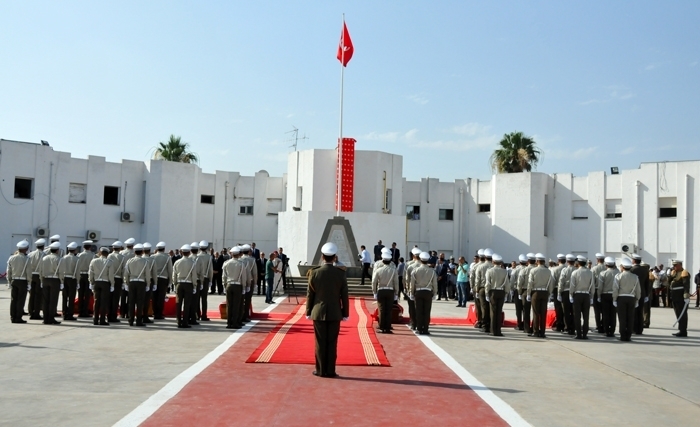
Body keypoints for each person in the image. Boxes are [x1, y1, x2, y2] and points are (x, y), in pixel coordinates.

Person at [306, 242, 349, 378]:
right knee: (332, 342)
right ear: (334, 257)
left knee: (320, 342)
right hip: (335, 312)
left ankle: (320, 370)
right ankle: (330, 370)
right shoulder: (340, 274)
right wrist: (345, 313)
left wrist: (308, 311)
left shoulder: (314, 273)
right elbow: (344, 296)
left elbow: (310, 295)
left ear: (322, 257)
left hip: (318, 312)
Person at [409, 251, 437, 335]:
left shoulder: (415, 270)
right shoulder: (432, 271)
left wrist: (411, 292)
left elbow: (412, 283)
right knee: (427, 311)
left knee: (419, 311)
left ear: (420, 260)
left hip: (418, 291)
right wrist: (435, 293)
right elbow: (434, 283)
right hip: (428, 292)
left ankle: (419, 328)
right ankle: (425, 329)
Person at [613, 258, 641, 342]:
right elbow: (638, 290)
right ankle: (628, 336)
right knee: (630, 317)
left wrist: (614, 299)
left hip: (621, 298)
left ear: (622, 267)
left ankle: (622, 336)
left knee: (622, 318)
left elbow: (615, 289)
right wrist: (637, 300)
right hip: (631, 298)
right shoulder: (635, 277)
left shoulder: (618, 276)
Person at [124, 244, 151, 327]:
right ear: (142, 251)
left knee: (131, 302)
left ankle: (130, 320)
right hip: (141, 283)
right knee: (140, 302)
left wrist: (126, 283)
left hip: (132, 282)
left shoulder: (129, 261)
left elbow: (126, 273)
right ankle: (139, 321)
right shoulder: (145, 262)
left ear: (134, 252)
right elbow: (147, 274)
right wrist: (148, 284)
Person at [527, 253, 554, 338]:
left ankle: (535, 332)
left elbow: (530, 283)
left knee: (535, 313)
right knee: (543, 313)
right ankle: (542, 332)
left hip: (535, 292)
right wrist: (549, 293)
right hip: (545, 292)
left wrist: (528, 293)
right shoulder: (548, 271)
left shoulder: (533, 271)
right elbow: (551, 284)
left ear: (537, 261)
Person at [372, 250, 399, 334]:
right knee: (389, 309)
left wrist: (374, 292)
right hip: (390, 291)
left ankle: (381, 326)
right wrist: (396, 293)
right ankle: (387, 327)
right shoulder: (393, 270)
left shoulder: (378, 270)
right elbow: (396, 282)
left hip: (381, 290)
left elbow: (374, 282)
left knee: (381, 309)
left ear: (382, 260)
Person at [569, 255, 594, 340]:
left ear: (578, 263)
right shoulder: (590, 272)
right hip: (586, 295)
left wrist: (571, 295)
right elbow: (592, 285)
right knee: (586, 316)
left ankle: (579, 334)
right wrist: (592, 296)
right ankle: (585, 334)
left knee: (577, 316)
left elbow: (572, 285)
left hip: (577, 295)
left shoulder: (575, 273)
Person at [223, 246, 248, 329]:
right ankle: (235, 323)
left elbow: (224, 276)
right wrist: (244, 287)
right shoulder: (241, 264)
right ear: (238, 254)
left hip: (229, 285)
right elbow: (243, 277)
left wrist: (224, 285)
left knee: (229, 305)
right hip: (237, 285)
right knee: (236, 305)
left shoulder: (226, 263)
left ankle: (229, 322)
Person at [89, 247, 115, 326]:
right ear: (107, 254)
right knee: (104, 302)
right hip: (105, 283)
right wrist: (112, 284)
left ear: (100, 253)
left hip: (96, 282)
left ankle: (95, 319)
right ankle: (102, 319)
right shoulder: (110, 262)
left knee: (96, 301)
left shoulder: (94, 261)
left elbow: (90, 273)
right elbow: (111, 275)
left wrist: (91, 282)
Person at [173, 245, 197, 329]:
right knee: (187, 304)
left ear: (181, 252)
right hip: (188, 284)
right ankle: (185, 322)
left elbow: (174, 275)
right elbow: (194, 276)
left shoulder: (177, 262)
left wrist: (175, 284)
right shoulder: (192, 263)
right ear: (189, 252)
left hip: (179, 283)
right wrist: (194, 286)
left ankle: (178, 321)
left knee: (178, 303)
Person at [39, 242, 63, 324]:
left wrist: (41, 280)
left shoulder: (44, 258)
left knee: (45, 300)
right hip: (55, 280)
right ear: (57, 250)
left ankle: (45, 319)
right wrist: (62, 281)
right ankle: (51, 318)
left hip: (45, 279)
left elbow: (40, 270)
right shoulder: (59, 259)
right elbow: (61, 272)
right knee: (53, 300)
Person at [8, 240, 32, 323]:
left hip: (14, 280)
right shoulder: (27, 259)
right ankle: (18, 317)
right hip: (23, 281)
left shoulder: (12, 258)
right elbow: (28, 272)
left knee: (13, 300)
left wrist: (9, 281)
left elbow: (9, 271)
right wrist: (29, 283)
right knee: (20, 300)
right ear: (25, 249)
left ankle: (12, 317)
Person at [485, 253, 509, 336]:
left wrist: (487, 293)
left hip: (493, 292)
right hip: (501, 292)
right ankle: (498, 330)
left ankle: (493, 330)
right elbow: (507, 284)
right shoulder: (504, 271)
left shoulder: (490, 271)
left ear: (493, 261)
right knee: (499, 312)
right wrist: (506, 294)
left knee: (493, 312)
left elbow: (488, 284)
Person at [597, 257, 619, 337]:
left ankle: (606, 331)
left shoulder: (603, 273)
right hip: (615, 295)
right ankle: (612, 331)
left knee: (605, 314)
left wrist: (599, 295)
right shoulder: (618, 272)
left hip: (605, 295)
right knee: (613, 314)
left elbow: (600, 287)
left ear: (606, 264)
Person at [668, 260, 691, 337]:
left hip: (681, 296)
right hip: (675, 296)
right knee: (678, 313)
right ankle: (681, 329)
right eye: (673, 265)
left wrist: (686, 296)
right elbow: (668, 282)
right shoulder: (674, 273)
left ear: (680, 265)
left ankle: (683, 331)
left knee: (682, 314)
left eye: (675, 265)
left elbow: (686, 285)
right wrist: (670, 275)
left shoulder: (684, 273)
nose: (674, 267)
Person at [629, 254, 650, 334]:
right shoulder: (645, 270)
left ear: (634, 260)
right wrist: (647, 294)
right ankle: (640, 329)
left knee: (633, 311)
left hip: (633, 293)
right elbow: (647, 283)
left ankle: (634, 328)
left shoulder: (631, 270)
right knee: (640, 311)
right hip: (642, 293)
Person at [59, 242, 80, 322]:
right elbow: (77, 272)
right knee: (71, 297)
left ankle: (64, 313)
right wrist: (78, 282)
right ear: (74, 250)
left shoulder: (63, 258)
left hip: (64, 278)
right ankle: (70, 314)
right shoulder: (77, 259)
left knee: (64, 297)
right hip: (72, 278)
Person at [152, 242, 172, 320]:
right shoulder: (167, 257)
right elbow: (170, 270)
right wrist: (170, 281)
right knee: (161, 297)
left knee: (154, 297)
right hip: (163, 278)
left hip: (154, 278)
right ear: (164, 249)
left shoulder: (153, 257)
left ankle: (154, 312)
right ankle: (159, 313)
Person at [27, 239, 46, 320]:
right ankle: (36, 313)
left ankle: (30, 311)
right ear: (43, 246)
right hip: (39, 276)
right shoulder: (44, 255)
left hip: (31, 275)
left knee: (32, 295)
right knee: (38, 295)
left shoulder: (30, 254)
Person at [76, 240, 95, 318]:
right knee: (87, 295)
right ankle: (85, 311)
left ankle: (80, 311)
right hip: (88, 275)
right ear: (90, 247)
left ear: (83, 247)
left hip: (80, 275)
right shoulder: (93, 256)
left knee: (80, 294)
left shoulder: (79, 255)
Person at [557, 254, 576, 335]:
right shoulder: (576, 270)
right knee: (574, 311)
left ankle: (567, 327)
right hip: (575, 292)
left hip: (565, 292)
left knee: (566, 311)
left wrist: (559, 293)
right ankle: (574, 327)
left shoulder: (564, 270)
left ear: (567, 261)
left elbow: (561, 282)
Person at [403, 248, 421, 330]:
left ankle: (413, 322)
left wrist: (405, 287)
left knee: (411, 306)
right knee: (421, 307)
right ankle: (420, 323)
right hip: (421, 288)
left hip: (411, 288)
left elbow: (405, 278)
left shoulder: (408, 264)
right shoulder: (423, 264)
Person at [197, 240, 213, 321]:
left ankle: (197, 315)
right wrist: (210, 280)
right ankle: (204, 315)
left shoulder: (196, 256)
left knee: (196, 298)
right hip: (205, 278)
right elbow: (210, 269)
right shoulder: (209, 257)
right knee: (204, 299)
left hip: (198, 279)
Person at [590, 253, 606, 333]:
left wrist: (591, 293)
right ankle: (604, 325)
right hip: (605, 291)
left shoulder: (594, 269)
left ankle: (598, 326)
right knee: (604, 310)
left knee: (597, 310)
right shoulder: (606, 268)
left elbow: (592, 282)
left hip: (596, 290)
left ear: (597, 260)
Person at [510, 255, 526, 329]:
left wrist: (511, 288)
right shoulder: (528, 269)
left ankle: (519, 323)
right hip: (526, 290)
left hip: (517, 289)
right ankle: (526, 324)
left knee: (518, 308)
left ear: (519, 261)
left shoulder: (516, 270)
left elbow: (512, 280)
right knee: (526, 308)